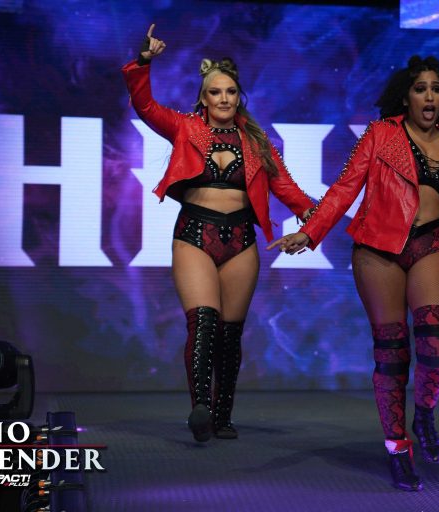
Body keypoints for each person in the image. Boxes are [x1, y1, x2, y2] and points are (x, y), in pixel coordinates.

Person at [267, 55, 439, 491]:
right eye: (420, 89)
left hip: (430, 245)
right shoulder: (380, 135)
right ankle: (398, 448)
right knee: (393, 352)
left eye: (436, 89)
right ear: (406, 97)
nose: (429, 96)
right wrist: (309, 231)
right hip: (378, 249)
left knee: (438, 345)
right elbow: (344, 189)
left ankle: (425, 415)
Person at [122, 24, 315, 443]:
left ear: (238, 96)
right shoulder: (184, 127)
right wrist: (143, 63)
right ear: (203, 98)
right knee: (203, 323)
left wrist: (317, 219)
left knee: (230, 334)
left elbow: (287, 188)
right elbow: (145, 106)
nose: (224, 99)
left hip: (241, 239)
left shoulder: (257, 141)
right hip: (195, 232)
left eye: (230, 92)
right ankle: (201, 410)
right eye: (215, 92)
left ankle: (223, 415)